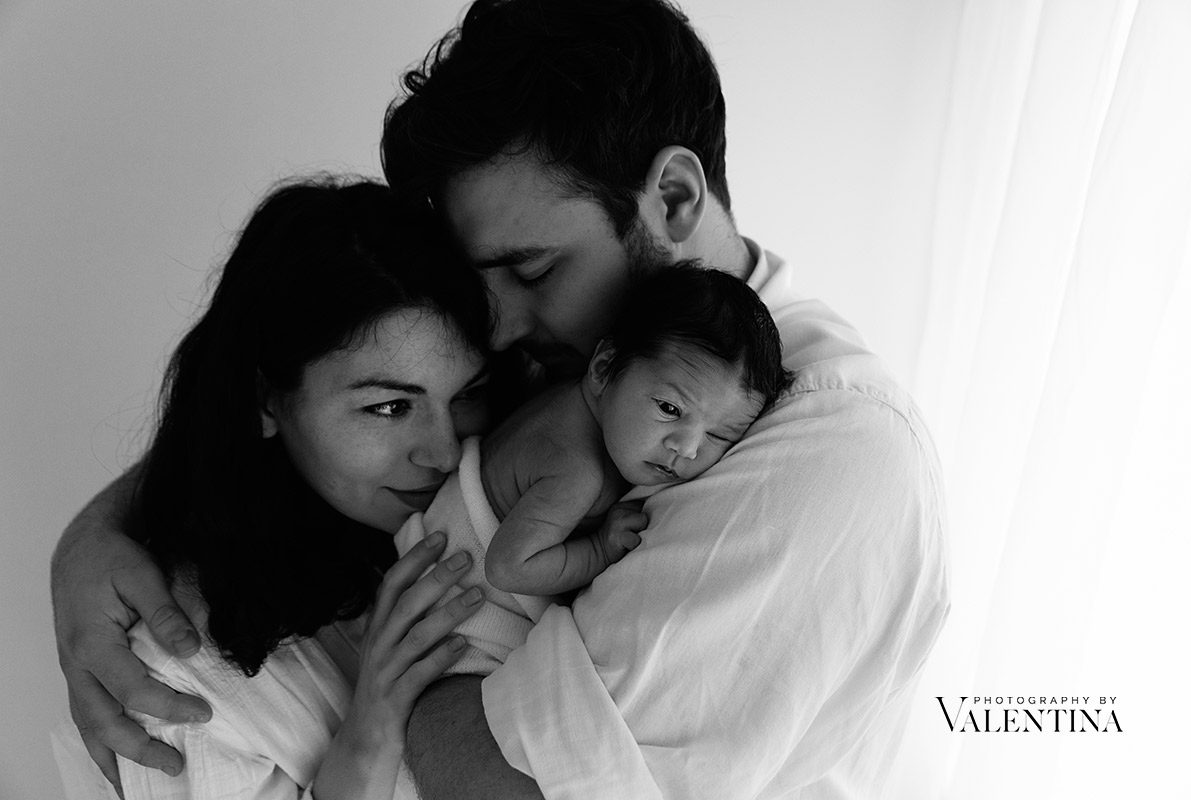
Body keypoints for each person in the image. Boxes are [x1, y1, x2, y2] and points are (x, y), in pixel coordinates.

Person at [52, 1, 951, 798]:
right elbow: (315, 397)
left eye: (532, 271)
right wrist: (100, 532)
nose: (503, 331)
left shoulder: (824, 455)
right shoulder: (590, 343)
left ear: (672, 198)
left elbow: (507, 781)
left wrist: (407, 695)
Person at [53, 178, 499, 799]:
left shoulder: (493, 509)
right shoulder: (178, 686)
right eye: (390, 407)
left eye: (469, 396)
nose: (445, 451)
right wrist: (368, 744)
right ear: (266, 399)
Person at [483, 265, 792, 596]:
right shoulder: (574, 471)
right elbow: (508, 568)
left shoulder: (571, 400)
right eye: (669, 409)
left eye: (720, 435)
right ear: (603, 368)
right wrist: (600, 549)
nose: (687, 448)